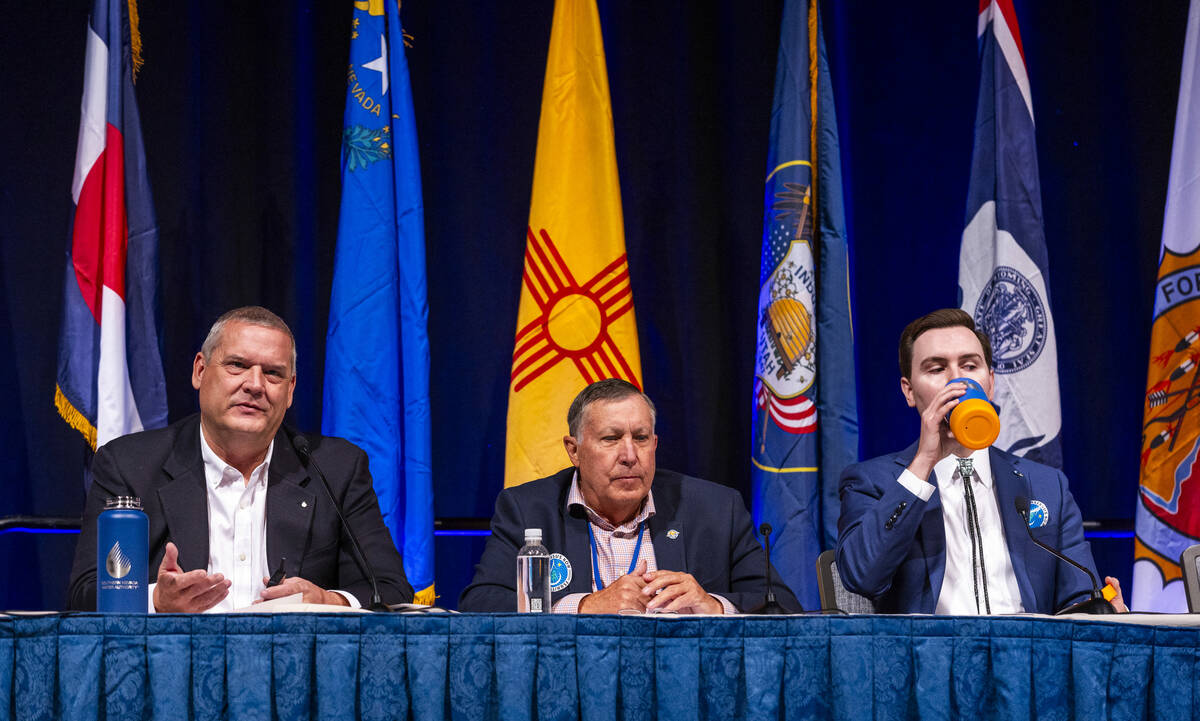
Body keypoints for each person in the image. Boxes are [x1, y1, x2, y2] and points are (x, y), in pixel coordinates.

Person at [67, 306, 412, 611]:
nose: (255, 384)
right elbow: (84, 593)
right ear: (200, 371)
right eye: (237, 365)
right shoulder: (131, 464)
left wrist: (327, 601)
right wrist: (156, 601)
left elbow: (391, 589)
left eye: (273, 373)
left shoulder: (335, 468)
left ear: (290, 390)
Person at [836, 308, 1126, 614]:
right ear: (909, 392)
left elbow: (1078, 597)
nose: (957, 381)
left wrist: (1100, 609)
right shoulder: (872, 481)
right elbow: (860, 577)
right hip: (929, 658)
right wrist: (922, 464)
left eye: (969, 365)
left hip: (1026, 656)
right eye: (936, 369)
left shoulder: (1046, 485)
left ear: (989, 382)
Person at [459, 378, 801, 614]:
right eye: (610, 438)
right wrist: (584, 606)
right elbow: (481, 604)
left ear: (654, 445)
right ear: (574, 450)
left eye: (640, 438)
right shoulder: (528, 509)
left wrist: (711, 605)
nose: (629, 455)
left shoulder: (715, 509)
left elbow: (781, 605)